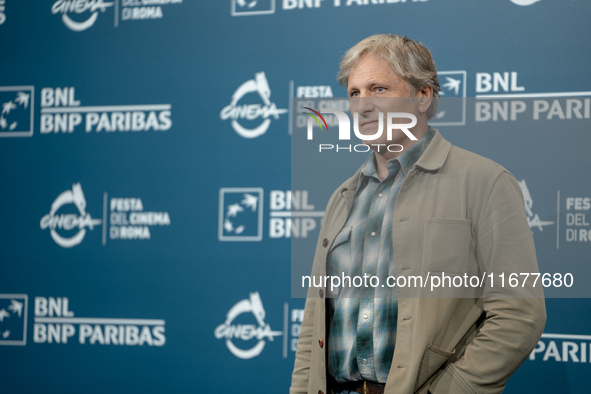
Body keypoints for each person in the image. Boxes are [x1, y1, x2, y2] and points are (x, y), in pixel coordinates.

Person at [290, 34, 546, 394]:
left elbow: (519, 316)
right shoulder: (343, 198)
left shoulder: (484, 182)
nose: (363, 105)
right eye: (354, 93)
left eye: (379, 89)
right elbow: (315, 324)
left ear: (423, 95)